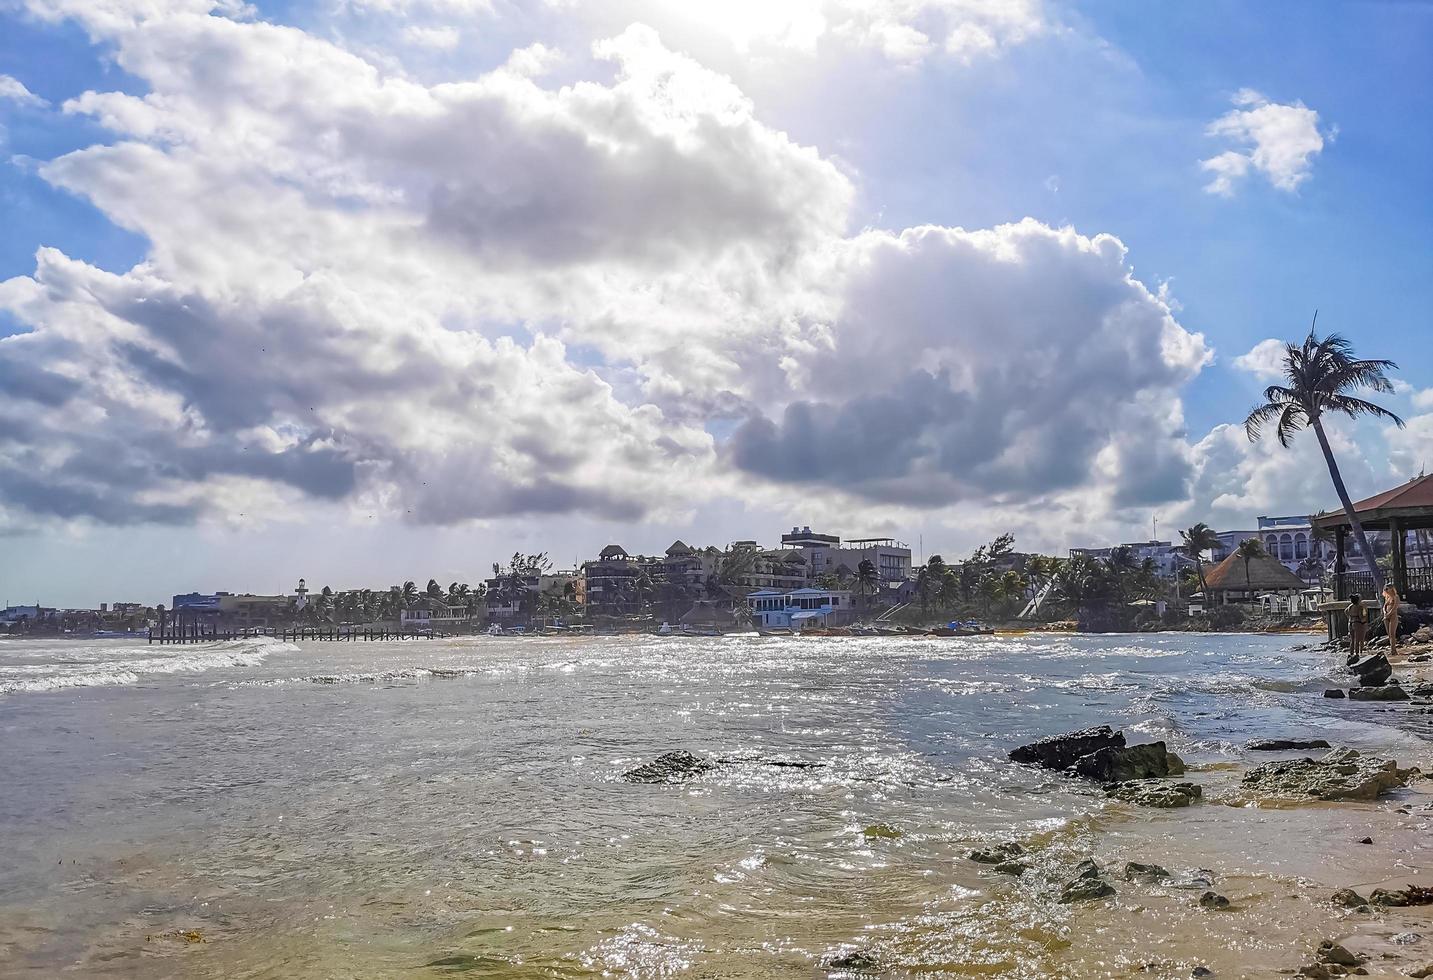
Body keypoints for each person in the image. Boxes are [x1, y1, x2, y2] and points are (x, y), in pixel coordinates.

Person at [1384, 583, 1402, 658]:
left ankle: (1393, 650)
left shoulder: (1396, 597)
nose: (1386, 591)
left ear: (1392, 589)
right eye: (1385, 589)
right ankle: (1392, 649)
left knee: (1392, 634)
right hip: (1386, 617)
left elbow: (1395, 607)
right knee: (1389, 634)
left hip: (1393, 617)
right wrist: (1385, 613)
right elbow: (1384, 606)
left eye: (1387, 589)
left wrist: (1389, 614)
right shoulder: (1387, 597)